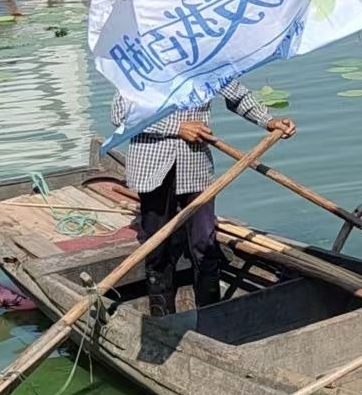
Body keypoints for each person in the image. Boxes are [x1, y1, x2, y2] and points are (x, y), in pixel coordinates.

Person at [111, 80, 297, 316]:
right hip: (152, 166)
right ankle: (162, 319)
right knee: (158, 246)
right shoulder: (142, 66)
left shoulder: (206, 62)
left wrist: (269, 121)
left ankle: (212, 316)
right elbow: (120, 114)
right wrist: (177, 127)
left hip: (195, 165)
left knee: (205, 243)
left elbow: (237, 95)